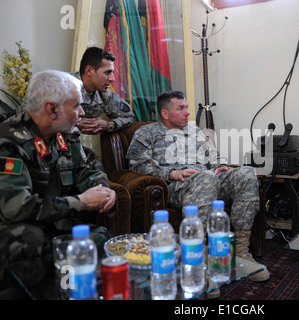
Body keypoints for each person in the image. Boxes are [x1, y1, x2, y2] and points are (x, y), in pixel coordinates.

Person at [126, 90, 270, 285]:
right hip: (179, 187)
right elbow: (137, 165)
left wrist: (221, 165)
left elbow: (214, 156)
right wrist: (170, 174)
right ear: (165, 113)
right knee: (206, 179)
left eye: (187, 107)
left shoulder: (196, 132)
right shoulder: (147, 133)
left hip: (209, 179)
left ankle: (241, 252)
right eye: (181, 108)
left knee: (246, 173)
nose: (187, 112)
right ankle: (198, 262)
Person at [0, 70, 116, 293]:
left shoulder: (64, 135)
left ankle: (80, 293)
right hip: (18, 233)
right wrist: (81, 202)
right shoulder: (9, 142)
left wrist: (102, 189)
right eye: (76, 106)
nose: (82, 113)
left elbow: (86, 170)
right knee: (29, 240)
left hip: (53, 228)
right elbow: (16, 209)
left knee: (99, 236)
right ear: (52, 109)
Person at [73, 46, 135, 134]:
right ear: (89, 70)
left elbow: (129, 117)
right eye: (107, 72)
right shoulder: (63, 87)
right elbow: (48, 114)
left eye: (112, 73)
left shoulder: (104, 95)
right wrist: (75, 122)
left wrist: (108, 125)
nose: (112, 79)